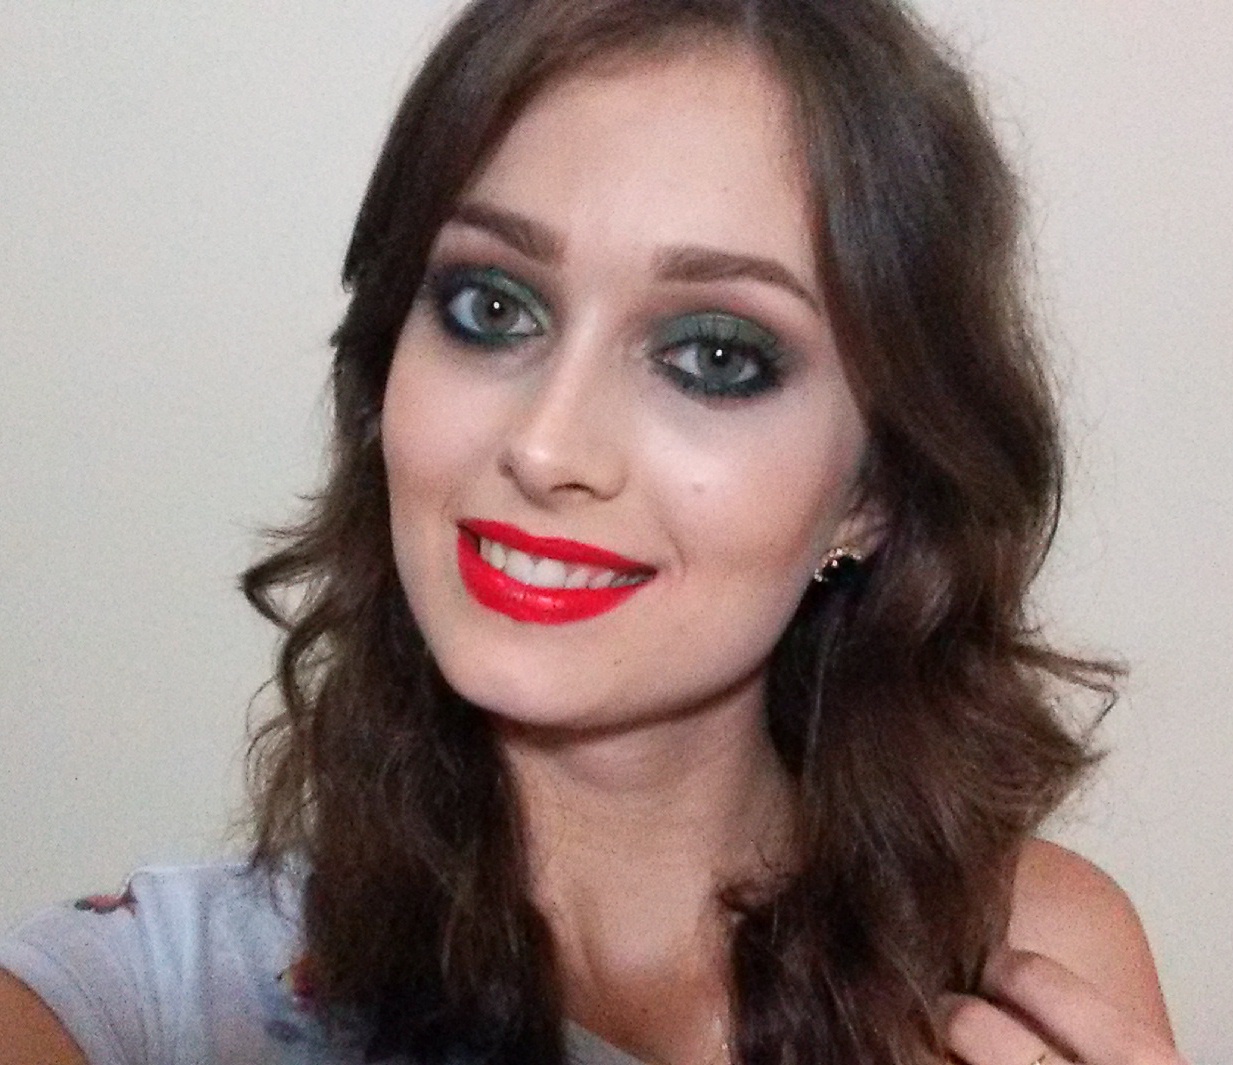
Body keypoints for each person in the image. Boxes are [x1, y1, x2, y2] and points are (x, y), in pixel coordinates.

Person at [0, 0, 1187, 1063]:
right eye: (491, 306)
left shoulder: (1022, 965)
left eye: (714, 355)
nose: (547, 444)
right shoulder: (146, 1002)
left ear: (873, 492)